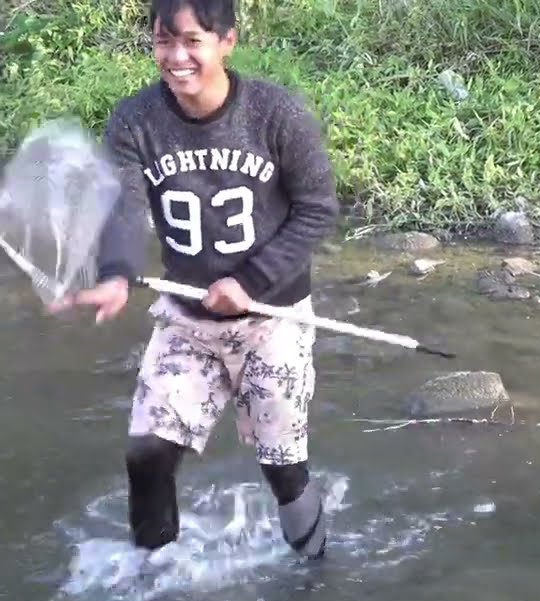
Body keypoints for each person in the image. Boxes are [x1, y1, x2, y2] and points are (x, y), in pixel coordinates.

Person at [49, 0, 339, 558]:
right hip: (186, 320)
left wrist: (251, 281)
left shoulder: (275, 114)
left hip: (273, 319)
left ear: (227, 41)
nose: (175, 56)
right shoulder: (135, 120)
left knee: (283, 467)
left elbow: (317, 209)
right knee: (147, 455)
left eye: (191, 41)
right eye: (163, 41)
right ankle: (152, 579)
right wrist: (116, 275)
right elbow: (123, 208)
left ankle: (314, 574)